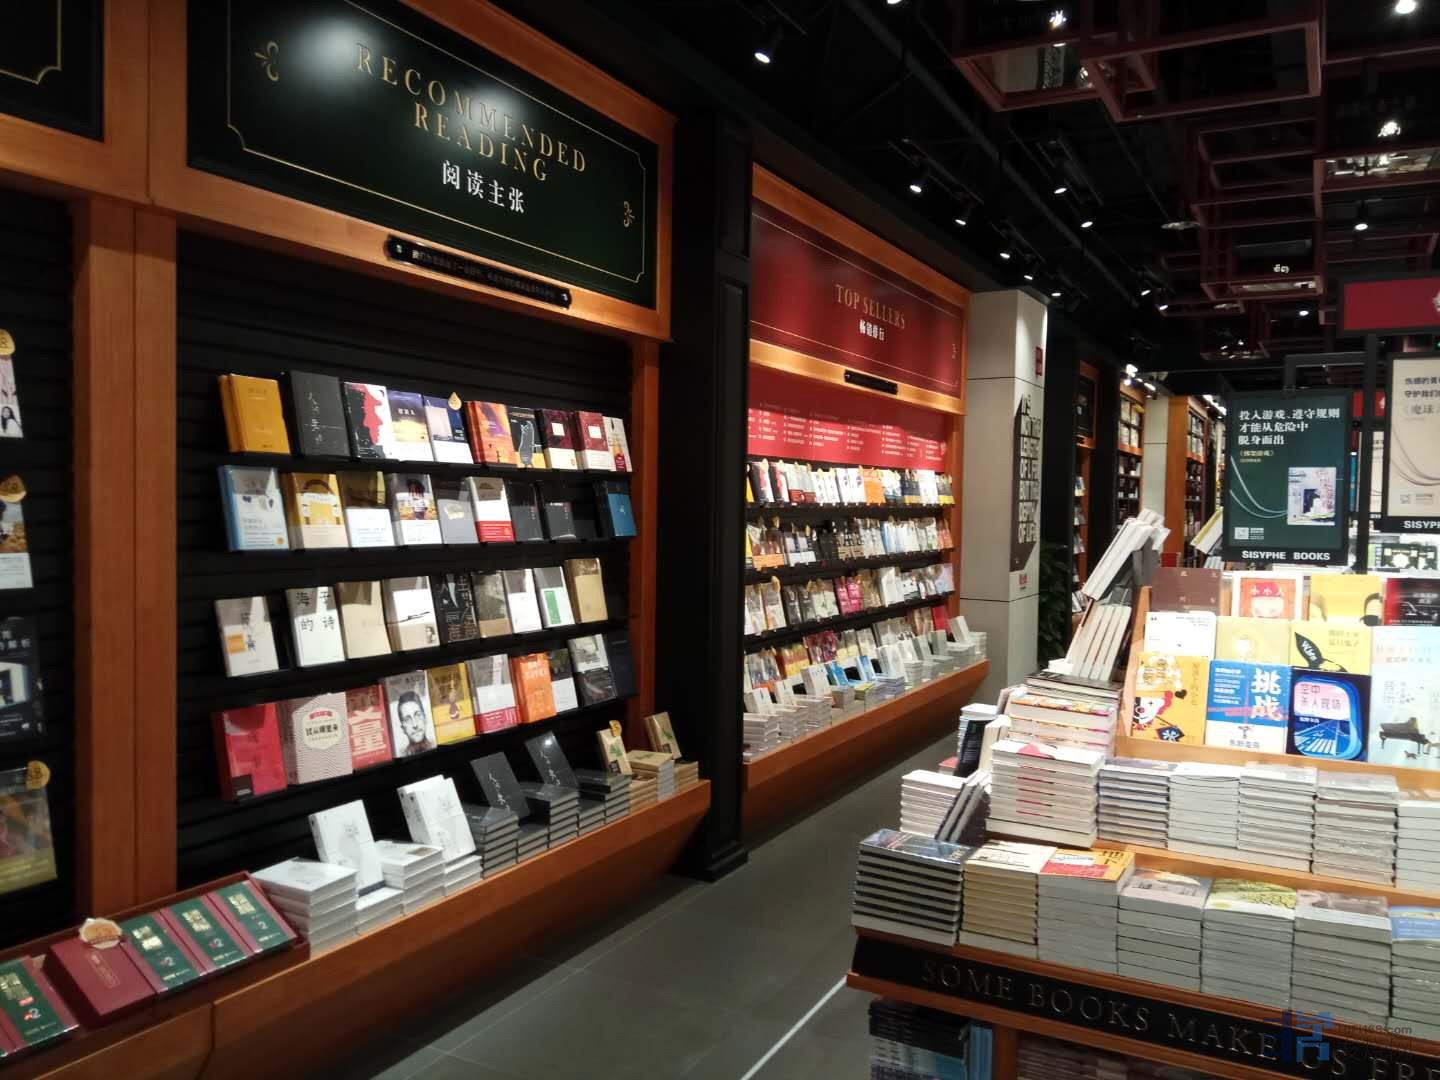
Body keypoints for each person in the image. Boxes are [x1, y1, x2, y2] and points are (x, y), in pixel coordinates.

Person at [395, 690, 435, 756]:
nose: (415, 725)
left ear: (425, 719)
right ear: (403, 728)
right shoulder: (401, 755)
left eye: (417, 715)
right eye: (407, 720)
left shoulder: (435, 745)